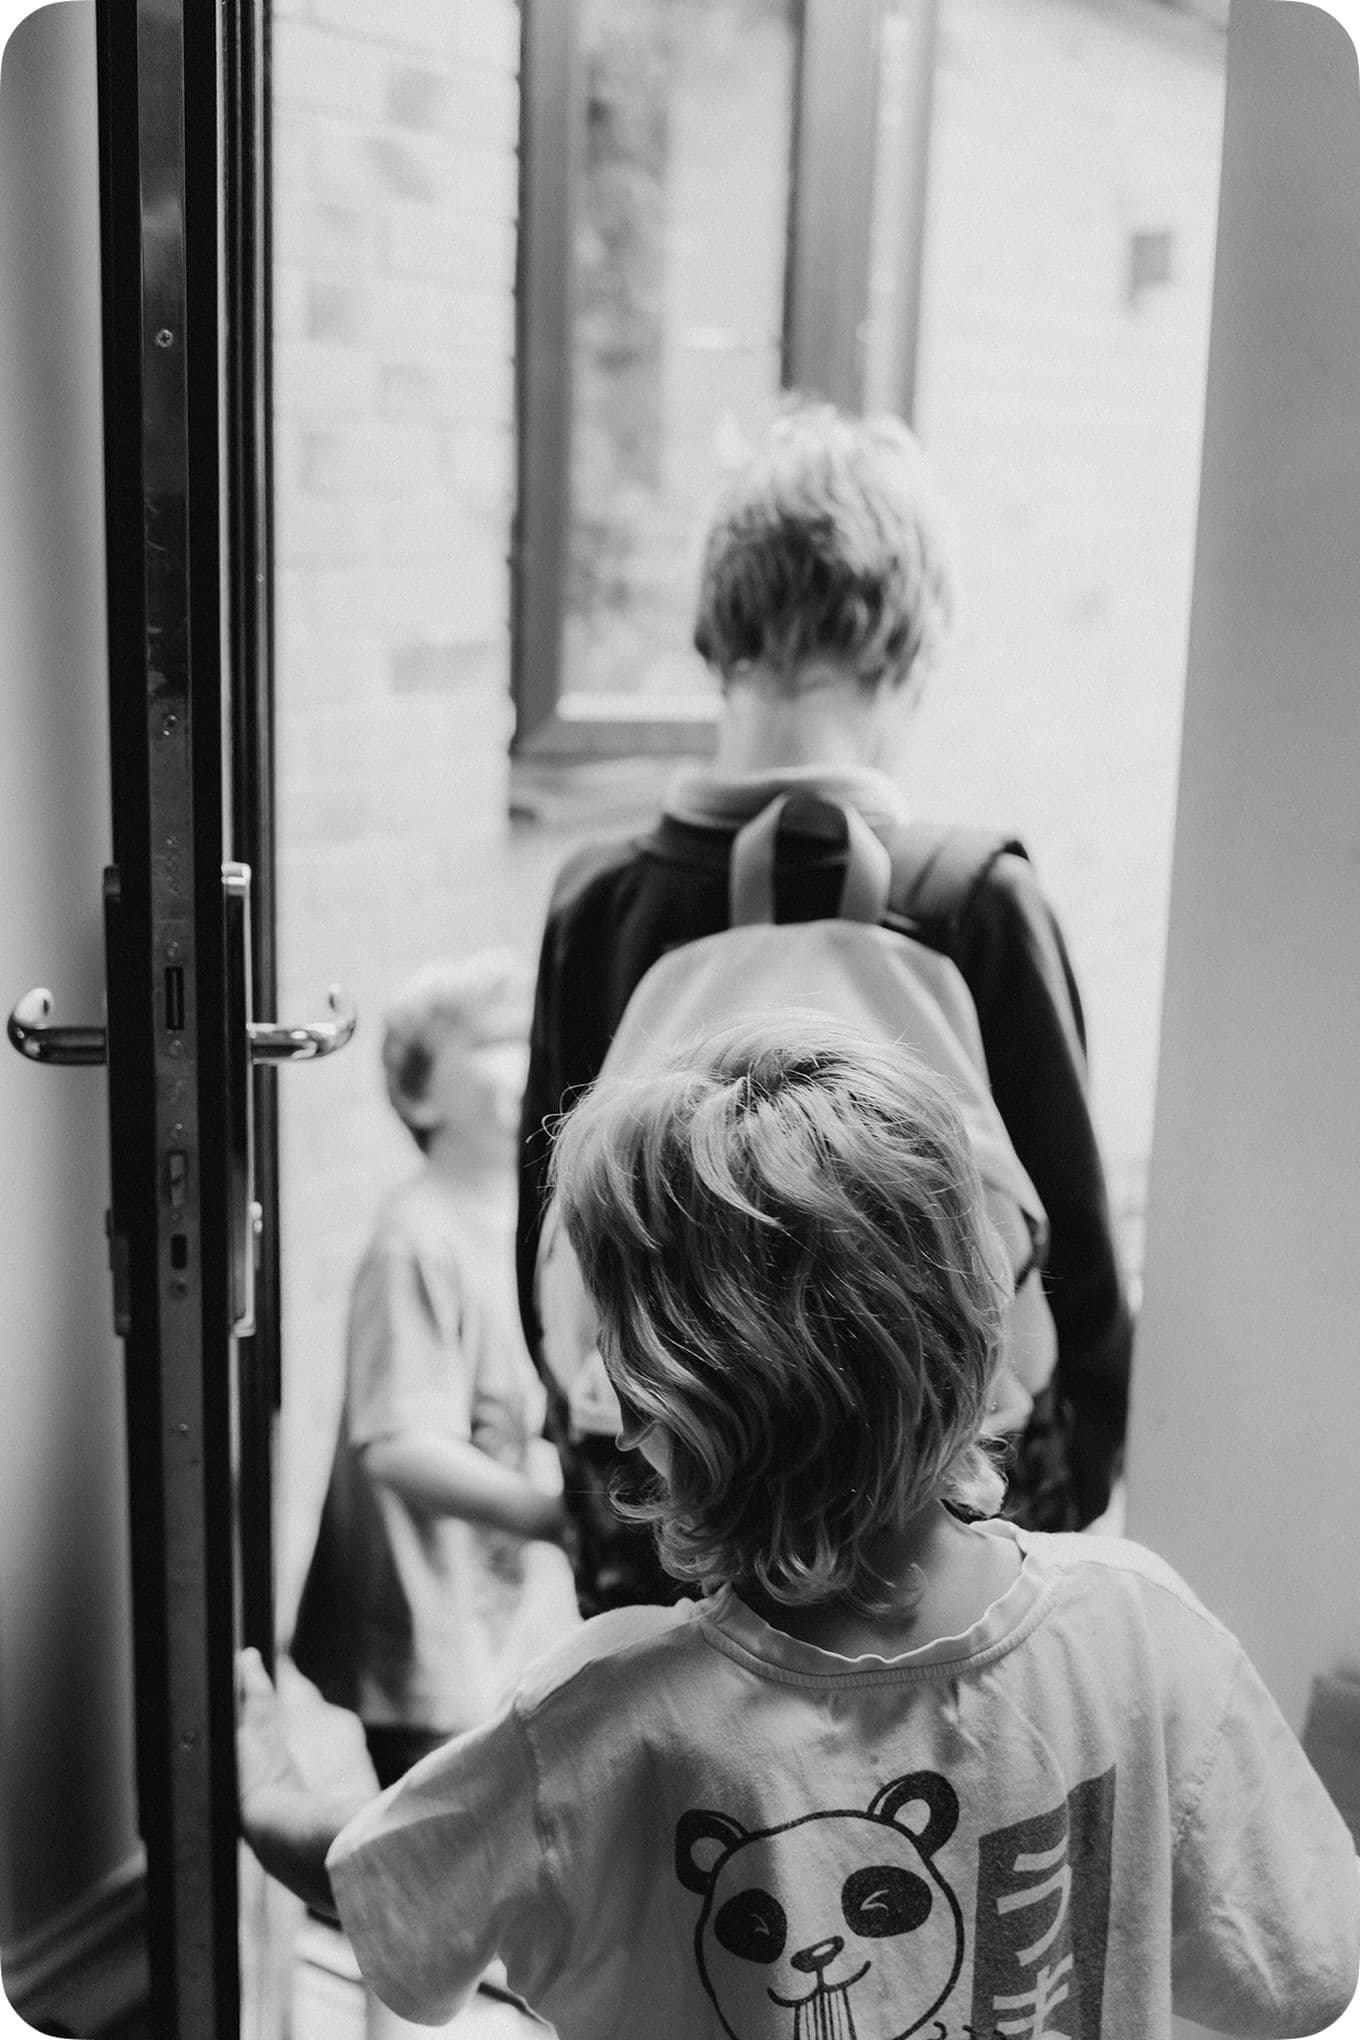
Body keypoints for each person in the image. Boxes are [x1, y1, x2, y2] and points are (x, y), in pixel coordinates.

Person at [241, 1020, 1359, 2038]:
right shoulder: (1139, 1628)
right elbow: (1302, 1973)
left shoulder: (608, 1721)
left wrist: (263, 1790)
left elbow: (389, 1893)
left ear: (668, 1411)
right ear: (972, 1319)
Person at [516, 402, 1132, 1614]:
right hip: (938, 1535)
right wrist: (1066, 1495)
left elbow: (552, 1238)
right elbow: (1078, 1272)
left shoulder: (603, 902)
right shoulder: (972, 900)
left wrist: (603, 1498)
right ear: (910, 644)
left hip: (675, 1528)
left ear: (716, 635)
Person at [290, 952, 574, 1793]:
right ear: (422, 1098)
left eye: (528, 1036)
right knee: (443, 1835)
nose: (523, 1056)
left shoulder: (523, 1226)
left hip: (485, 1616)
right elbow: (399, 1444)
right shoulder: (416, 1242)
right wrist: (556, 1519)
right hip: (420, 1637)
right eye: (491, 1042)